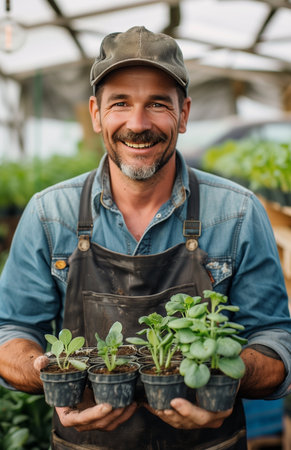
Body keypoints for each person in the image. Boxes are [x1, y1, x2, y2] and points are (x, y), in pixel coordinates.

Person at [0, 26, 290, 450]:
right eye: (121, 103)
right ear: (96, 113)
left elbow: (276, 339)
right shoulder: (50, 215)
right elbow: (11, 330)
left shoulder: (238, 213)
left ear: (184, 114)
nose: (138, 124)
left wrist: (228, 373)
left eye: (157, 104)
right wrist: (47, 370)